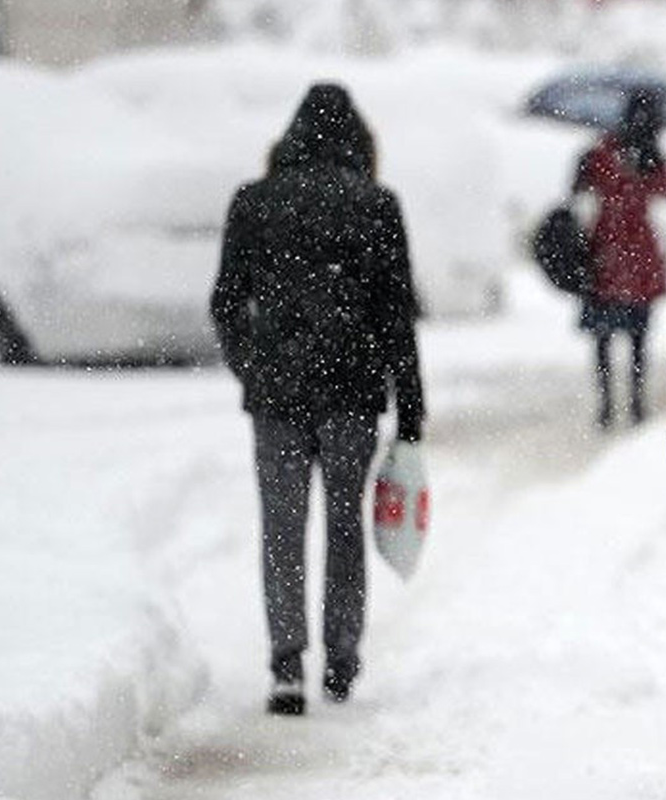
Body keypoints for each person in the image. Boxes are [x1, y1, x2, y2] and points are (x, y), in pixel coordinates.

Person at [211, 83, 424, 716]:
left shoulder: (254, 202)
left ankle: (285, 664)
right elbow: (397, 316)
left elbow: (225, 301)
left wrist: (251, 365)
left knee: (281, 526)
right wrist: (410, 404)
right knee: (343, 523)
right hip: (351, 391)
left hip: (276, 392)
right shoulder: (377, 205)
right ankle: (340, 658)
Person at [573, 88, 666, 429]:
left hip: (606, 250)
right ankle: (633, 402)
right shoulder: (647, 154)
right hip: (635, 252)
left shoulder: (604, 151)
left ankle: (608, 404)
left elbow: (579, 190)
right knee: (637, 336)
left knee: (605, 337)